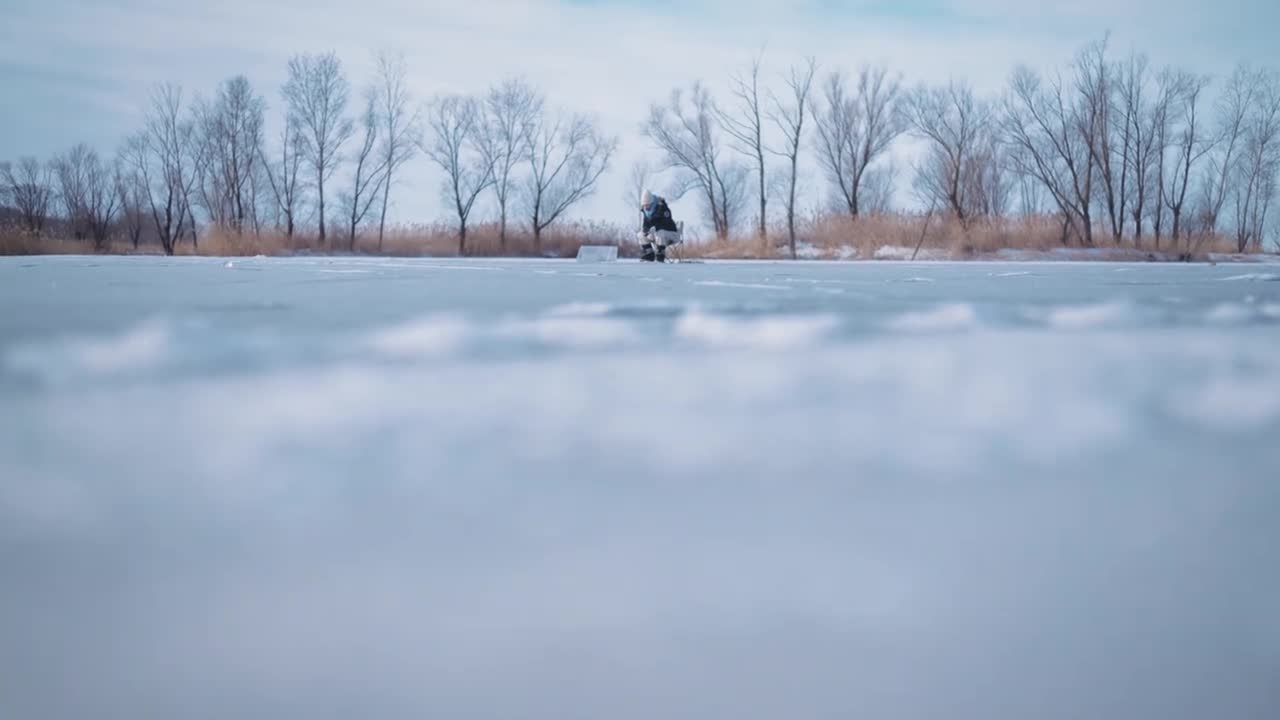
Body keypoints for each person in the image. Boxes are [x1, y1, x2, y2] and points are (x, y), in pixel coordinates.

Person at [638, 190, 681, 262]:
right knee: (640, 235)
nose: (646, 207)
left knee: (660, 233)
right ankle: (649, 254)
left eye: (647, 205)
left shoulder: (662, 208)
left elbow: (666, 222)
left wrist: (655, 228)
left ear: (652, 202)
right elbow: (646, 224)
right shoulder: (646, 211)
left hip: (671, 233)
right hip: (656, 234)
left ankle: (660, 254)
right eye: (644, 205)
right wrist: (646, 230)